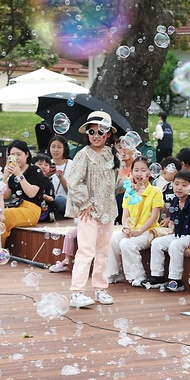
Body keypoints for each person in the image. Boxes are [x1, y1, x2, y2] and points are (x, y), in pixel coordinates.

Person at [65, 111, 120, 308]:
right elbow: (74, 181)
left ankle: (100, 288)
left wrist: (130, 185)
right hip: (88, 210)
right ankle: (77, 292)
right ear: (86, 134)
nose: (96, 135)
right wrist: (85, 203)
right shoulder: (83, 155)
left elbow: (114, 183)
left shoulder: (111, 155)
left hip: (107, 209)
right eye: (92, 131)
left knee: (103, 251)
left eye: (101, 131)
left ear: (108, 134)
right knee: (86, 249)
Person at [106, 156, 164, 287]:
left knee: (127, 243)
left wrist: (139, 231)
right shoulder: (130, 191)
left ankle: (138, 276)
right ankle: (114, 272)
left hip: (148, 231)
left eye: (143, 170)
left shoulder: (156, 191)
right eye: (136, 170)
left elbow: (154, 217)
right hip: (132, 229)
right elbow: (125, 214)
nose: (139, 174)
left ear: (150, 173)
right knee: (113, 239)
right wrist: (125, 226)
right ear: (131, 172)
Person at [147, 169, 190, 292]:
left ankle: (176, 280)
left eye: (184, 185)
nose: (179, 188)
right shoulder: (175, 200)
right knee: (157, 243)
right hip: (178, 235)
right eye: (176, 184)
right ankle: (157, 276)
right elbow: (173, 223)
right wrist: (168, 235)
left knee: (175, 245)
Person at [0, 139, 49, 246]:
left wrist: (19, 175)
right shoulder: (13, 175)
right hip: (16, 206)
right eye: (12, 155)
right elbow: (6, 195)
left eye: (19, 154)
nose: (16, 158)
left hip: (32, 209)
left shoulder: (35, 170)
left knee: (4, 215)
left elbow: (32, 193)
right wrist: (4, 177)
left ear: (26, 154)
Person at [48, 135, 73, 219]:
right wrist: (45, 177)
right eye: (53, 146)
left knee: (60, 199)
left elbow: (72, 192)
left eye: (59, 147)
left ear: (65, 149)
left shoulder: (72, 165)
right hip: (48, 200)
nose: (55, 150)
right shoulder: (46, 164)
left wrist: (62, 179)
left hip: (66, 202)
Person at [33, 153, 57, 222]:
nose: (43, 167)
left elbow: (52, 196)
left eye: (46, 165)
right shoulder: (31, 179)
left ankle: (48, 216)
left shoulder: (48, 181)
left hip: (44, 203)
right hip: (34, 203)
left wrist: (49, 198)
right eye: (40, 164)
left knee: (54, 204)